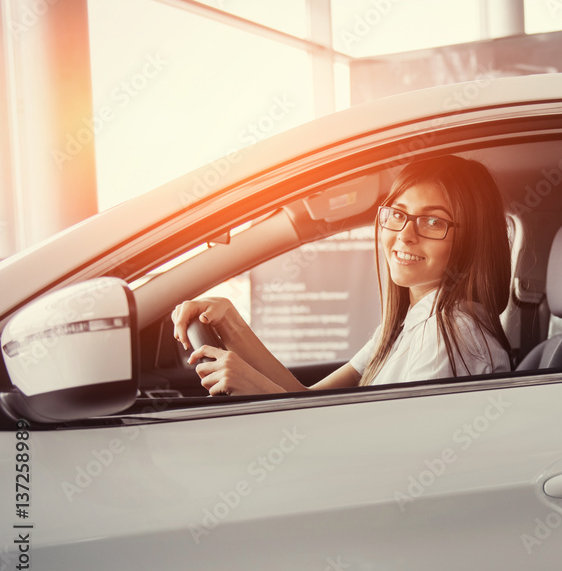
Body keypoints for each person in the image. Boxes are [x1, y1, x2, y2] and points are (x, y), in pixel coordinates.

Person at [172, 155, 513, 395]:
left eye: (433, 221)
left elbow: (384, 455)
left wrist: (254, 386)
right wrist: (230, 323)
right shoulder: (413, 322)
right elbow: (308, 399)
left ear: (472, 239)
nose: (405, 235)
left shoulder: (454, 335)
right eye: (398, 214)